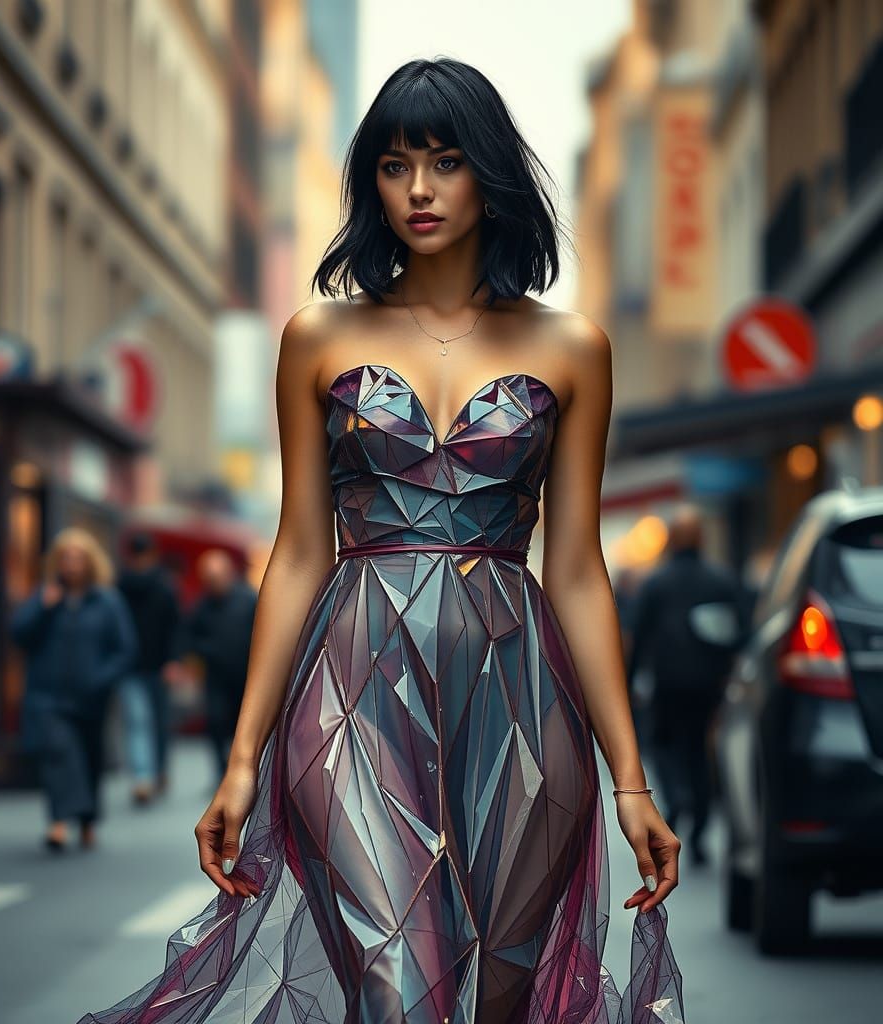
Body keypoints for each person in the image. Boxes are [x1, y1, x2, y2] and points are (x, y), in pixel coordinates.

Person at [75, 57, 685, 1024]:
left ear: (489, 172)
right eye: (395, 166)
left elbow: (574, 569)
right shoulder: (316, 336)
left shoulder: (573, 348)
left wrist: (631, 779)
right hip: (348, 688)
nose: (420, 190)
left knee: (500, 988)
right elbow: (298, 554)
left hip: (520, 695)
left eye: (445, 161)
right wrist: (242, 759)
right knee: (396, 982)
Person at [626, 504, 748, 866]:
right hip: (708, 685)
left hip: (667, 683)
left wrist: (629, 681)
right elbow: (740, 634)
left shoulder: (655, 583)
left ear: (671, 541)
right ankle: (698, 832)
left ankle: (677, 796)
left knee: (665, 747)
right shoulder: (722, 580)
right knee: (699, 753)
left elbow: (637, 636)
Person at [12, 527, 136, 853]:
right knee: (58, 753)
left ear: (91, 562)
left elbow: (125, 649)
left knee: (89, 757)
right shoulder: (45, 596)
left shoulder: (107, 601)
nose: (70, 564)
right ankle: (58, 822)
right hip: (47, 696)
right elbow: (18, 635)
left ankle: (87, 820)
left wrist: (102, 678)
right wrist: (43, 607)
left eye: (78, 558)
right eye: (64, 558)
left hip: (90, 697)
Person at [178, 549, 257, 778]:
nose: (213, 583)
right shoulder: (202, 606)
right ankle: (222, 774)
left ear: (229, 574)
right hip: (216, 677)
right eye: (208, 579)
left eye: (216, 577)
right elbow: (187, 636)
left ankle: (244, 772)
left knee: (241, 725)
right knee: (215, 721)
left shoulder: (248, 599)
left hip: (245, 674)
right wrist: (204, 651)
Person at [116, 533, 180, 804]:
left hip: (158, 666)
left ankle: (159, 771)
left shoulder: (163, 587)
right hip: (131, 666)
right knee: (138, 721)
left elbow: (175, 626)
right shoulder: (121, 587)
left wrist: (173, 661)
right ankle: (144, 777)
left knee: (158, 723)